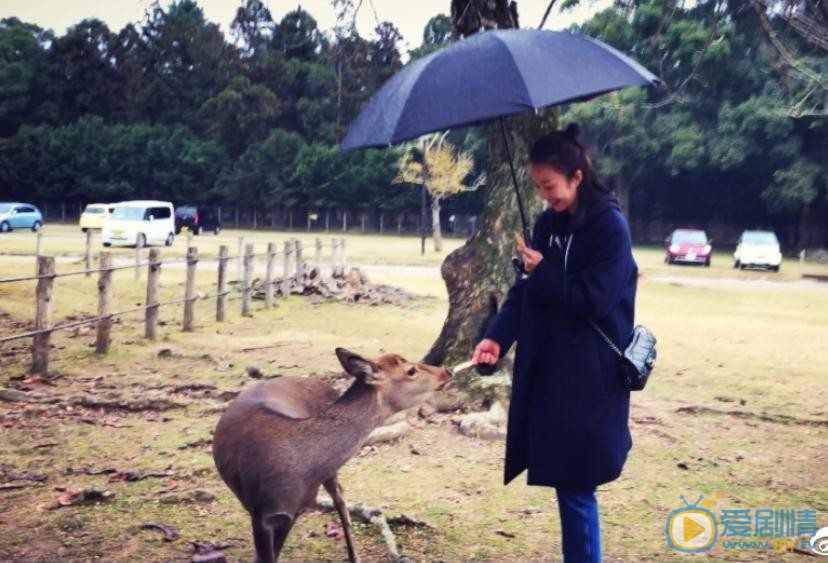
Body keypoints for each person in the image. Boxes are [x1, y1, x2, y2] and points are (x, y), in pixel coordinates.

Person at [472, 123, 638, 563]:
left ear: (576, 176)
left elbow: (596, 300)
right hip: (551, 373)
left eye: (550, 186)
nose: (545, 195)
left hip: (591, 375)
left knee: (577, 484)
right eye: (538, 187)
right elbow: (525, 291)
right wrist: (496, 338)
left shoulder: (610, 228)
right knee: (569, 484)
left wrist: (543, 271)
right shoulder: (546, 225)